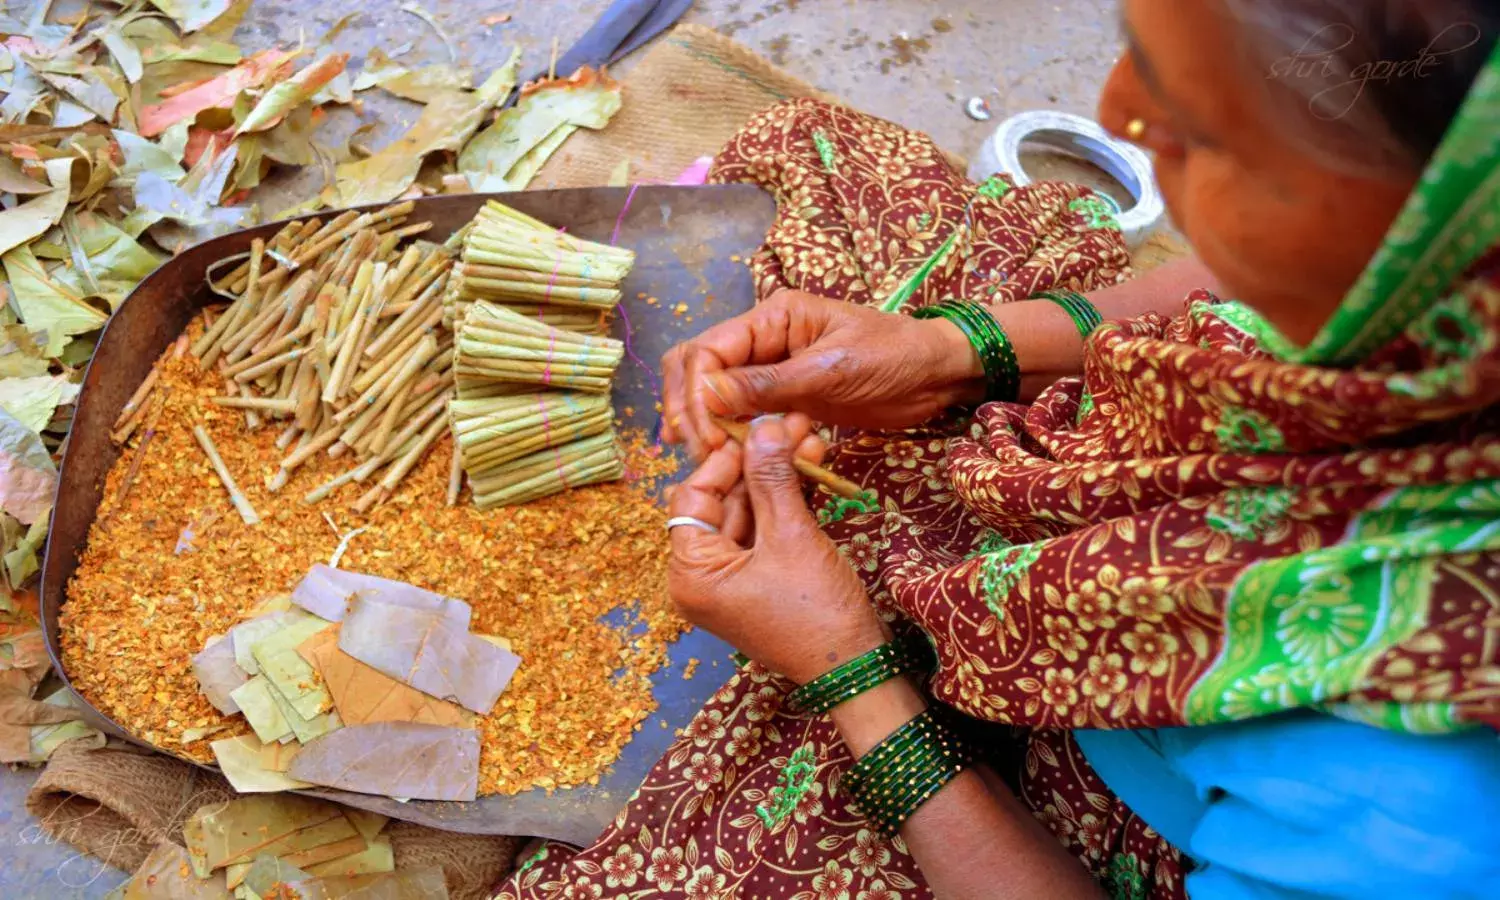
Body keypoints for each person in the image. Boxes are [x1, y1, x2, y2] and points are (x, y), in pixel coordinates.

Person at [497, 1, 1500, 897]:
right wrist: (952, 350)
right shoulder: (1439, 299)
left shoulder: (1432, 826)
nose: (1117, 120)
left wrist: (849, 674)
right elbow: (1230, 288)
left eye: (1209, 134)